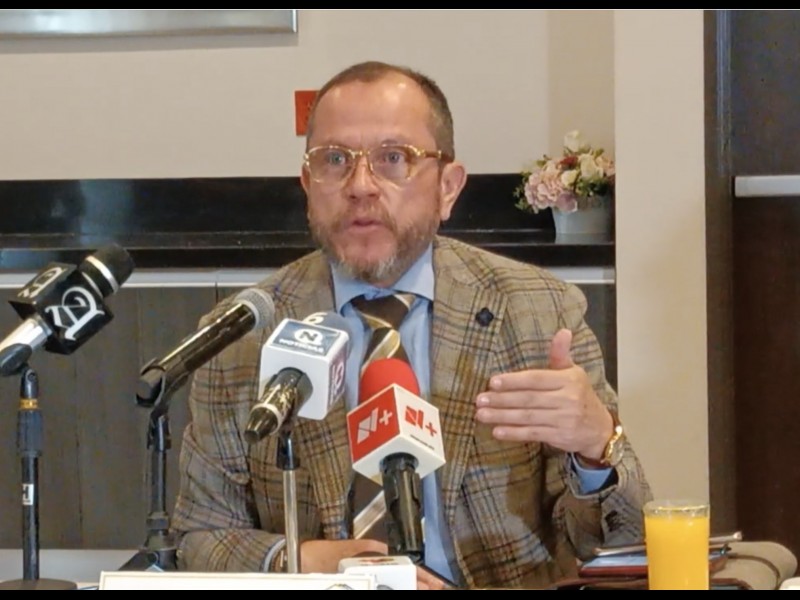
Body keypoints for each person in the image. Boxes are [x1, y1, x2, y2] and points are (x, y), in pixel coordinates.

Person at [171, 60, 652, 590]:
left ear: (448, 187)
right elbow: (198, 537)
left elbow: (624, 543)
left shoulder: (538, 312)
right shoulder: (245, 334)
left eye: (393, 158)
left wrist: (596, 446)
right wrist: (309, 562)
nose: (360, 186)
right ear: (308, 185)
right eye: (335, 160)